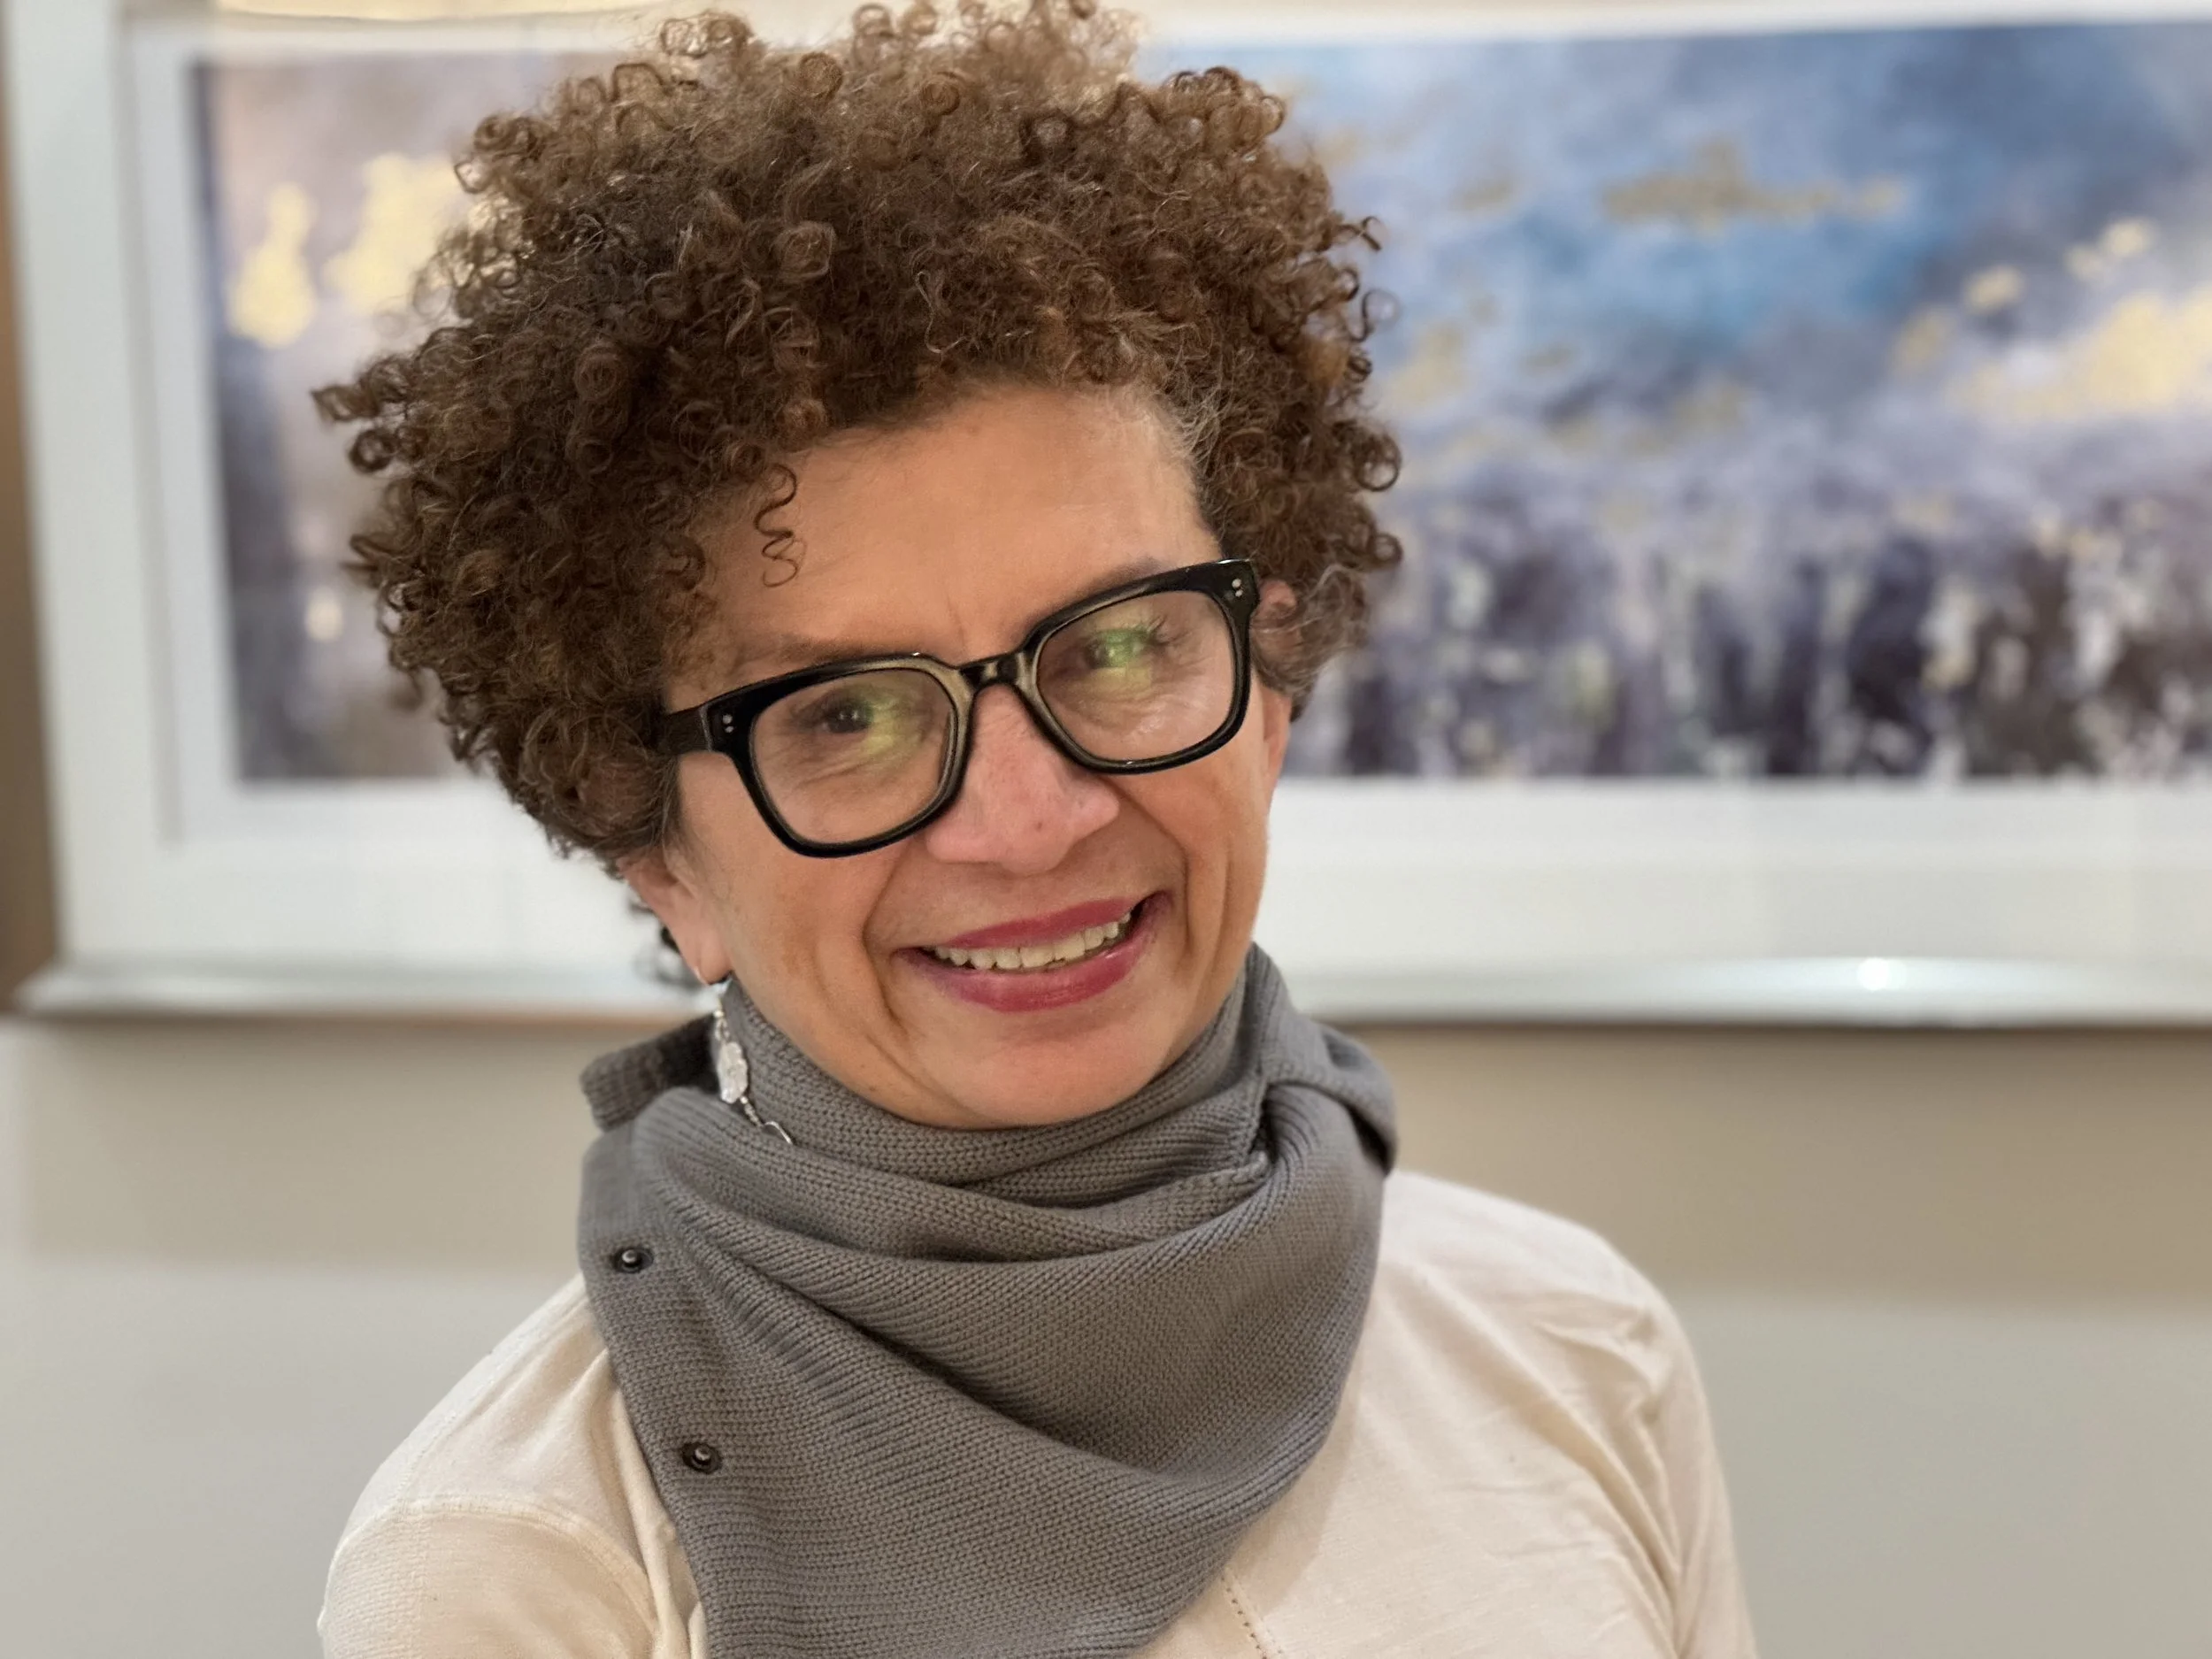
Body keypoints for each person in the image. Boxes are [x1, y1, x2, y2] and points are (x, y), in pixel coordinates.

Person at [315, 4, 1757, 1655]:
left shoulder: (1574, 1346)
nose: (1028, 818)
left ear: (1269, 690)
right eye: (844, 712)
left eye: (1122, 644)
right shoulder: (518, 1563)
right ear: (658, 855)